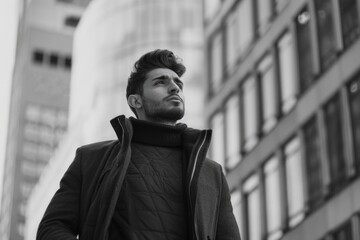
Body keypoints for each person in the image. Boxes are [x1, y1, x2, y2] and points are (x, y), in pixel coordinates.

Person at [37, 49, 241, 240]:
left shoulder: (211, 172)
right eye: (160, 82)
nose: (174, 87)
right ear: (136, 101)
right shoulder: (91, 159)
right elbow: (52, 228)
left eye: (178, 83)